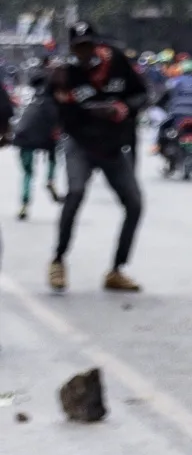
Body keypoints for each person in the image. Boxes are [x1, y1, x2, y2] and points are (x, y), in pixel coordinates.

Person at [47, 21, 147, 293]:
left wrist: (122, 108)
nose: (84, 52)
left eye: (88, 46)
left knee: (135, 204)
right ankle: (58, 260)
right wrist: (89, 111)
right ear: (72, 49)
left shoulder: (116, 63)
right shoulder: (65, 74)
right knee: (76, 193)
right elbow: (59, 113)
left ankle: (117, 269)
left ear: (96, 44)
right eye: (79, 48)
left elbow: (141, 95)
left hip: (112, 147)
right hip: (80, 144)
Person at [13, 68, 62, 221]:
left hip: (24, 135)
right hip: (45, 136)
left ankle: (24, 204)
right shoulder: (55, 98)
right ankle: (50, 179)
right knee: (53, 156)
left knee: (28, 174)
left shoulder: (27, 95)